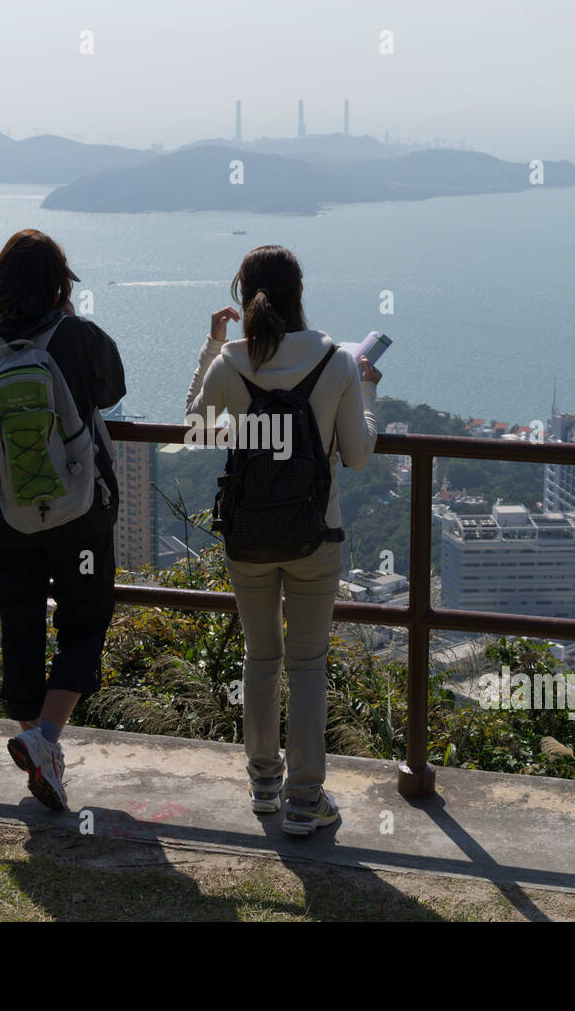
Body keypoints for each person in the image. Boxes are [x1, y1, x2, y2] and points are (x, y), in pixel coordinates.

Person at [185, 244, 380, 835]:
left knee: (261, 659)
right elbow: (360, 456)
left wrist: (212, 348)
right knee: (308, 666)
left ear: (244, 301)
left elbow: (195, 430)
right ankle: (304, 799)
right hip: (314, 537)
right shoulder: (336, 361)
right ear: (300, 294)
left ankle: (264, 784)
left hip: (247, 537)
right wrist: (369, 392)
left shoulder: (232, 363)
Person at [0, 229, 125, 811]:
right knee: (86, 622)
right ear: (58, 285)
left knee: (19, 627)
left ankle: (37, 745)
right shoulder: (78, 337)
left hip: (8, 517)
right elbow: (114, 390)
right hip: (81, 516)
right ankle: (45, 739)